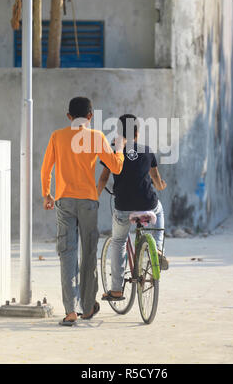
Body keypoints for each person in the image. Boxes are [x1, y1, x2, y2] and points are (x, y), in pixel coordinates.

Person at [41, 97, 125, 325]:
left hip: (64, 201)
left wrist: (47, 194)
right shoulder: (96, 137)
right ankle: (87, 307)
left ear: (68, 116)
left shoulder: (57, 136)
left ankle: (70, 311)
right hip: (88, 202)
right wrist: (119, 150)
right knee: (88, 252)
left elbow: (46, 167)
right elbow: (116, 167)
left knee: (67, 253)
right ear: (90, 116)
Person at [97, 114, 168, 302]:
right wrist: (161, 186)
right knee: (159, 209)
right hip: (148, 203)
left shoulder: (113, 151)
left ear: (119, 132)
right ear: (137, 132)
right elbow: (156, 178)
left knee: (119, 241)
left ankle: (116, 290)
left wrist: (93, 197)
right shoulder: (147, 151)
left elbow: (104, 178)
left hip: (123, 206)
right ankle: (158, 249)